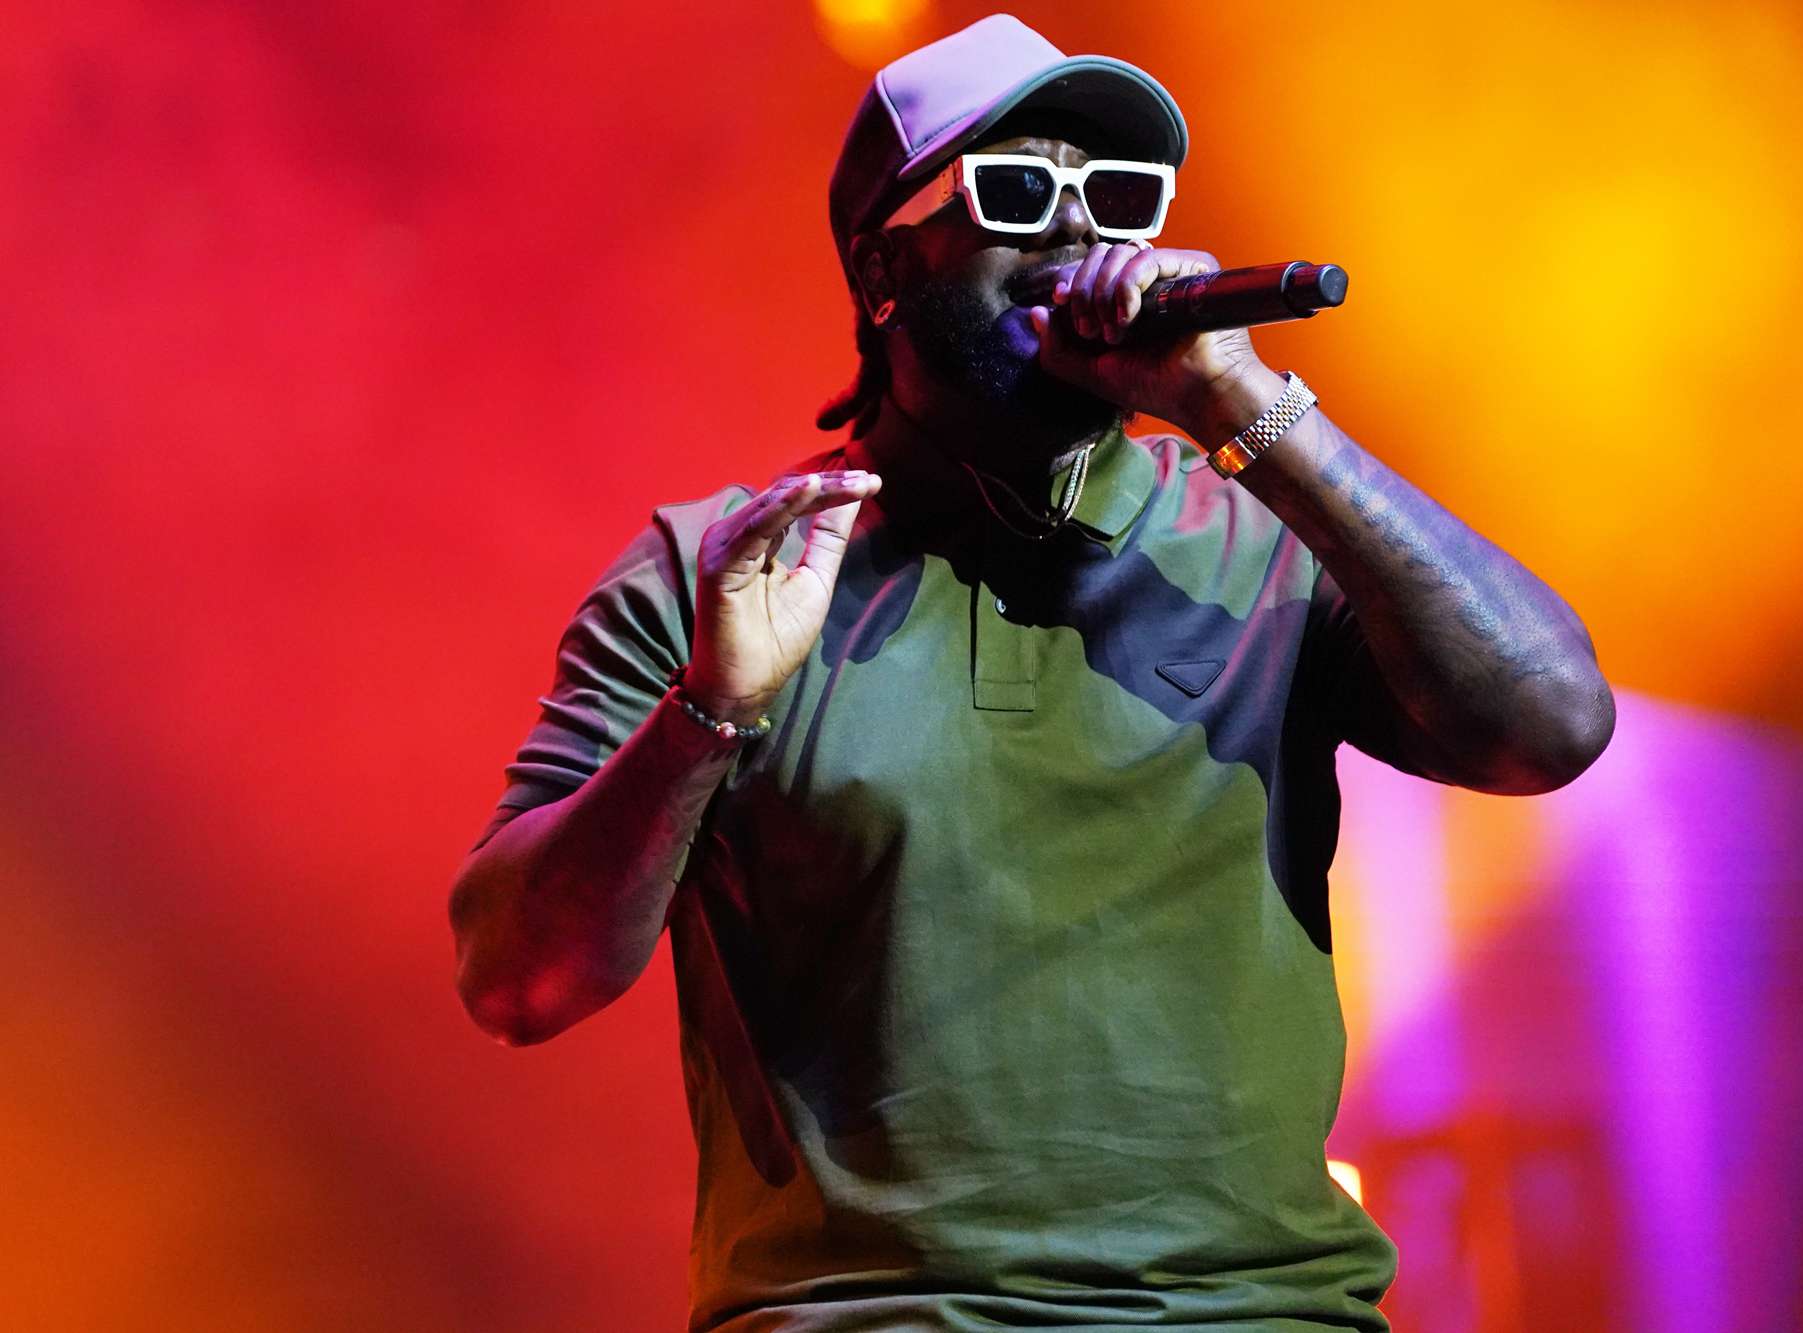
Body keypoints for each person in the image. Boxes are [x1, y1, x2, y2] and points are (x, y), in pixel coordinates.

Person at [448, 14, 1614, 1331]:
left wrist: (1248, 409)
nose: (1079, 233)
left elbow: (1553, 727)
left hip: (1255, 1316)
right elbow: (518, 977)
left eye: (1117, 197)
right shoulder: (714, 571)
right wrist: (710, 707)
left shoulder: (1263, 544)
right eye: (1017, 190)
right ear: (884, 265)